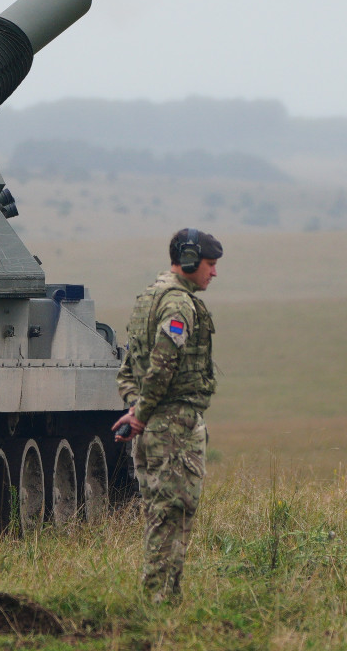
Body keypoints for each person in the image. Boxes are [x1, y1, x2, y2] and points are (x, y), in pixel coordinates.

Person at [113, 228, 222, 605]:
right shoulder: (178, 304)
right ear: (189, 261)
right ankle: (158, 600)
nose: (214, 272)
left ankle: (164, 598)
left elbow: (127, 371)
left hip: (152, 428)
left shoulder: (149, 298)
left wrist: (136, 409)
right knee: (171, 515)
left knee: (162, 513)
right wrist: (142, 414)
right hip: (173, 427)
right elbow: (162, 366)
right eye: (209, 264)